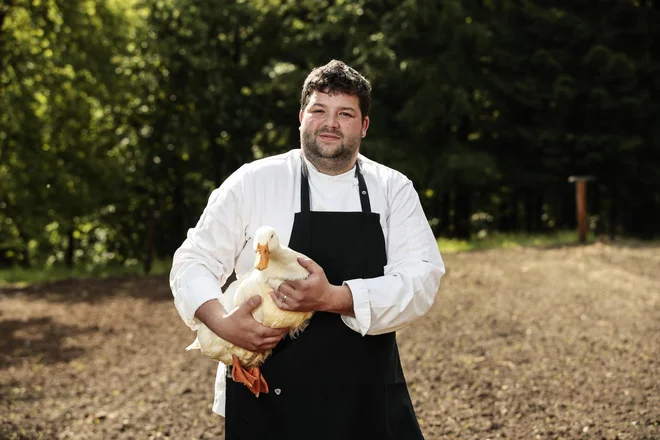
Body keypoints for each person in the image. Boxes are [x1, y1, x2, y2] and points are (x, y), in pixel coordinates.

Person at [170, 59, 445, 439]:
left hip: (366, 400)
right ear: (301, 117)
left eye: (345, 113)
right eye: (319, 110)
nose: (330, 123)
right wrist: (220, 321)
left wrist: (333, 297)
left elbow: (422, 279)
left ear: (364, 126)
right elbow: (193, 260)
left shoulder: (392, 189)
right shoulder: (254, 181)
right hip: (268, 401)